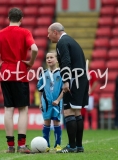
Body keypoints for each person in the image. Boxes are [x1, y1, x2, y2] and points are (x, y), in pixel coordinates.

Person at [0, 8, 38, 153]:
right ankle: (22, 145)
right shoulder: (25, 32)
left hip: (5, 73)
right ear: (21, 18)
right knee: (23, 109)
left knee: (8, 109)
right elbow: (35, 49)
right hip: (20, 73)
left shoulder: (0, 34)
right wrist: (30, 63)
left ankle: (10, 146)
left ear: (8, 18)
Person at [47, 22, 89, 153]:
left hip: (73, 79)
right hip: (81, 78)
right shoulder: (71, 41)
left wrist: (65, 81)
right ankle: (78, 146)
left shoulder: (62, 42)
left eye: (49, 33)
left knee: (68, 112)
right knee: (77, 112)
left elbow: (66, 61)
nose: (48, 36)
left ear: (55, 32)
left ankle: (71, 146)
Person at [37, 52, 63, 152]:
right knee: (46, 122)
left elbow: (64, 89)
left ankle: (58, 145)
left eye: (51, 57)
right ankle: (46, 145)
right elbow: (40, 89)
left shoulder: (61, 73)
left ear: (56, 60)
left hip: (57, 102)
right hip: (46, 103)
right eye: (47, 57)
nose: (49, 59)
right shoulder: (43, 73)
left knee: (56, 122)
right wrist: (40, 102)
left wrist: (58, 100)